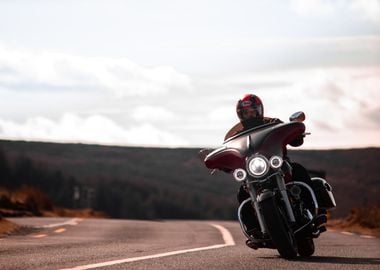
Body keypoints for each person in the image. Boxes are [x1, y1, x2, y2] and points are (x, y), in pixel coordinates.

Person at [227, 94, 320, 248]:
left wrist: (295, 134)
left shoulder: (273, 123)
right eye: (246, 112)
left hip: (279, 165)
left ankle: (313, 210)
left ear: (259, 110)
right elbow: (231, 153)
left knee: (298, 170)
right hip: (254, 172)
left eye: (252, 111)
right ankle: (254, 230)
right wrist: (225, 162)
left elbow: (290, 135)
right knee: (242, 193)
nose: (250, 114)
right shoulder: (236, 137)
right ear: (240, 114)